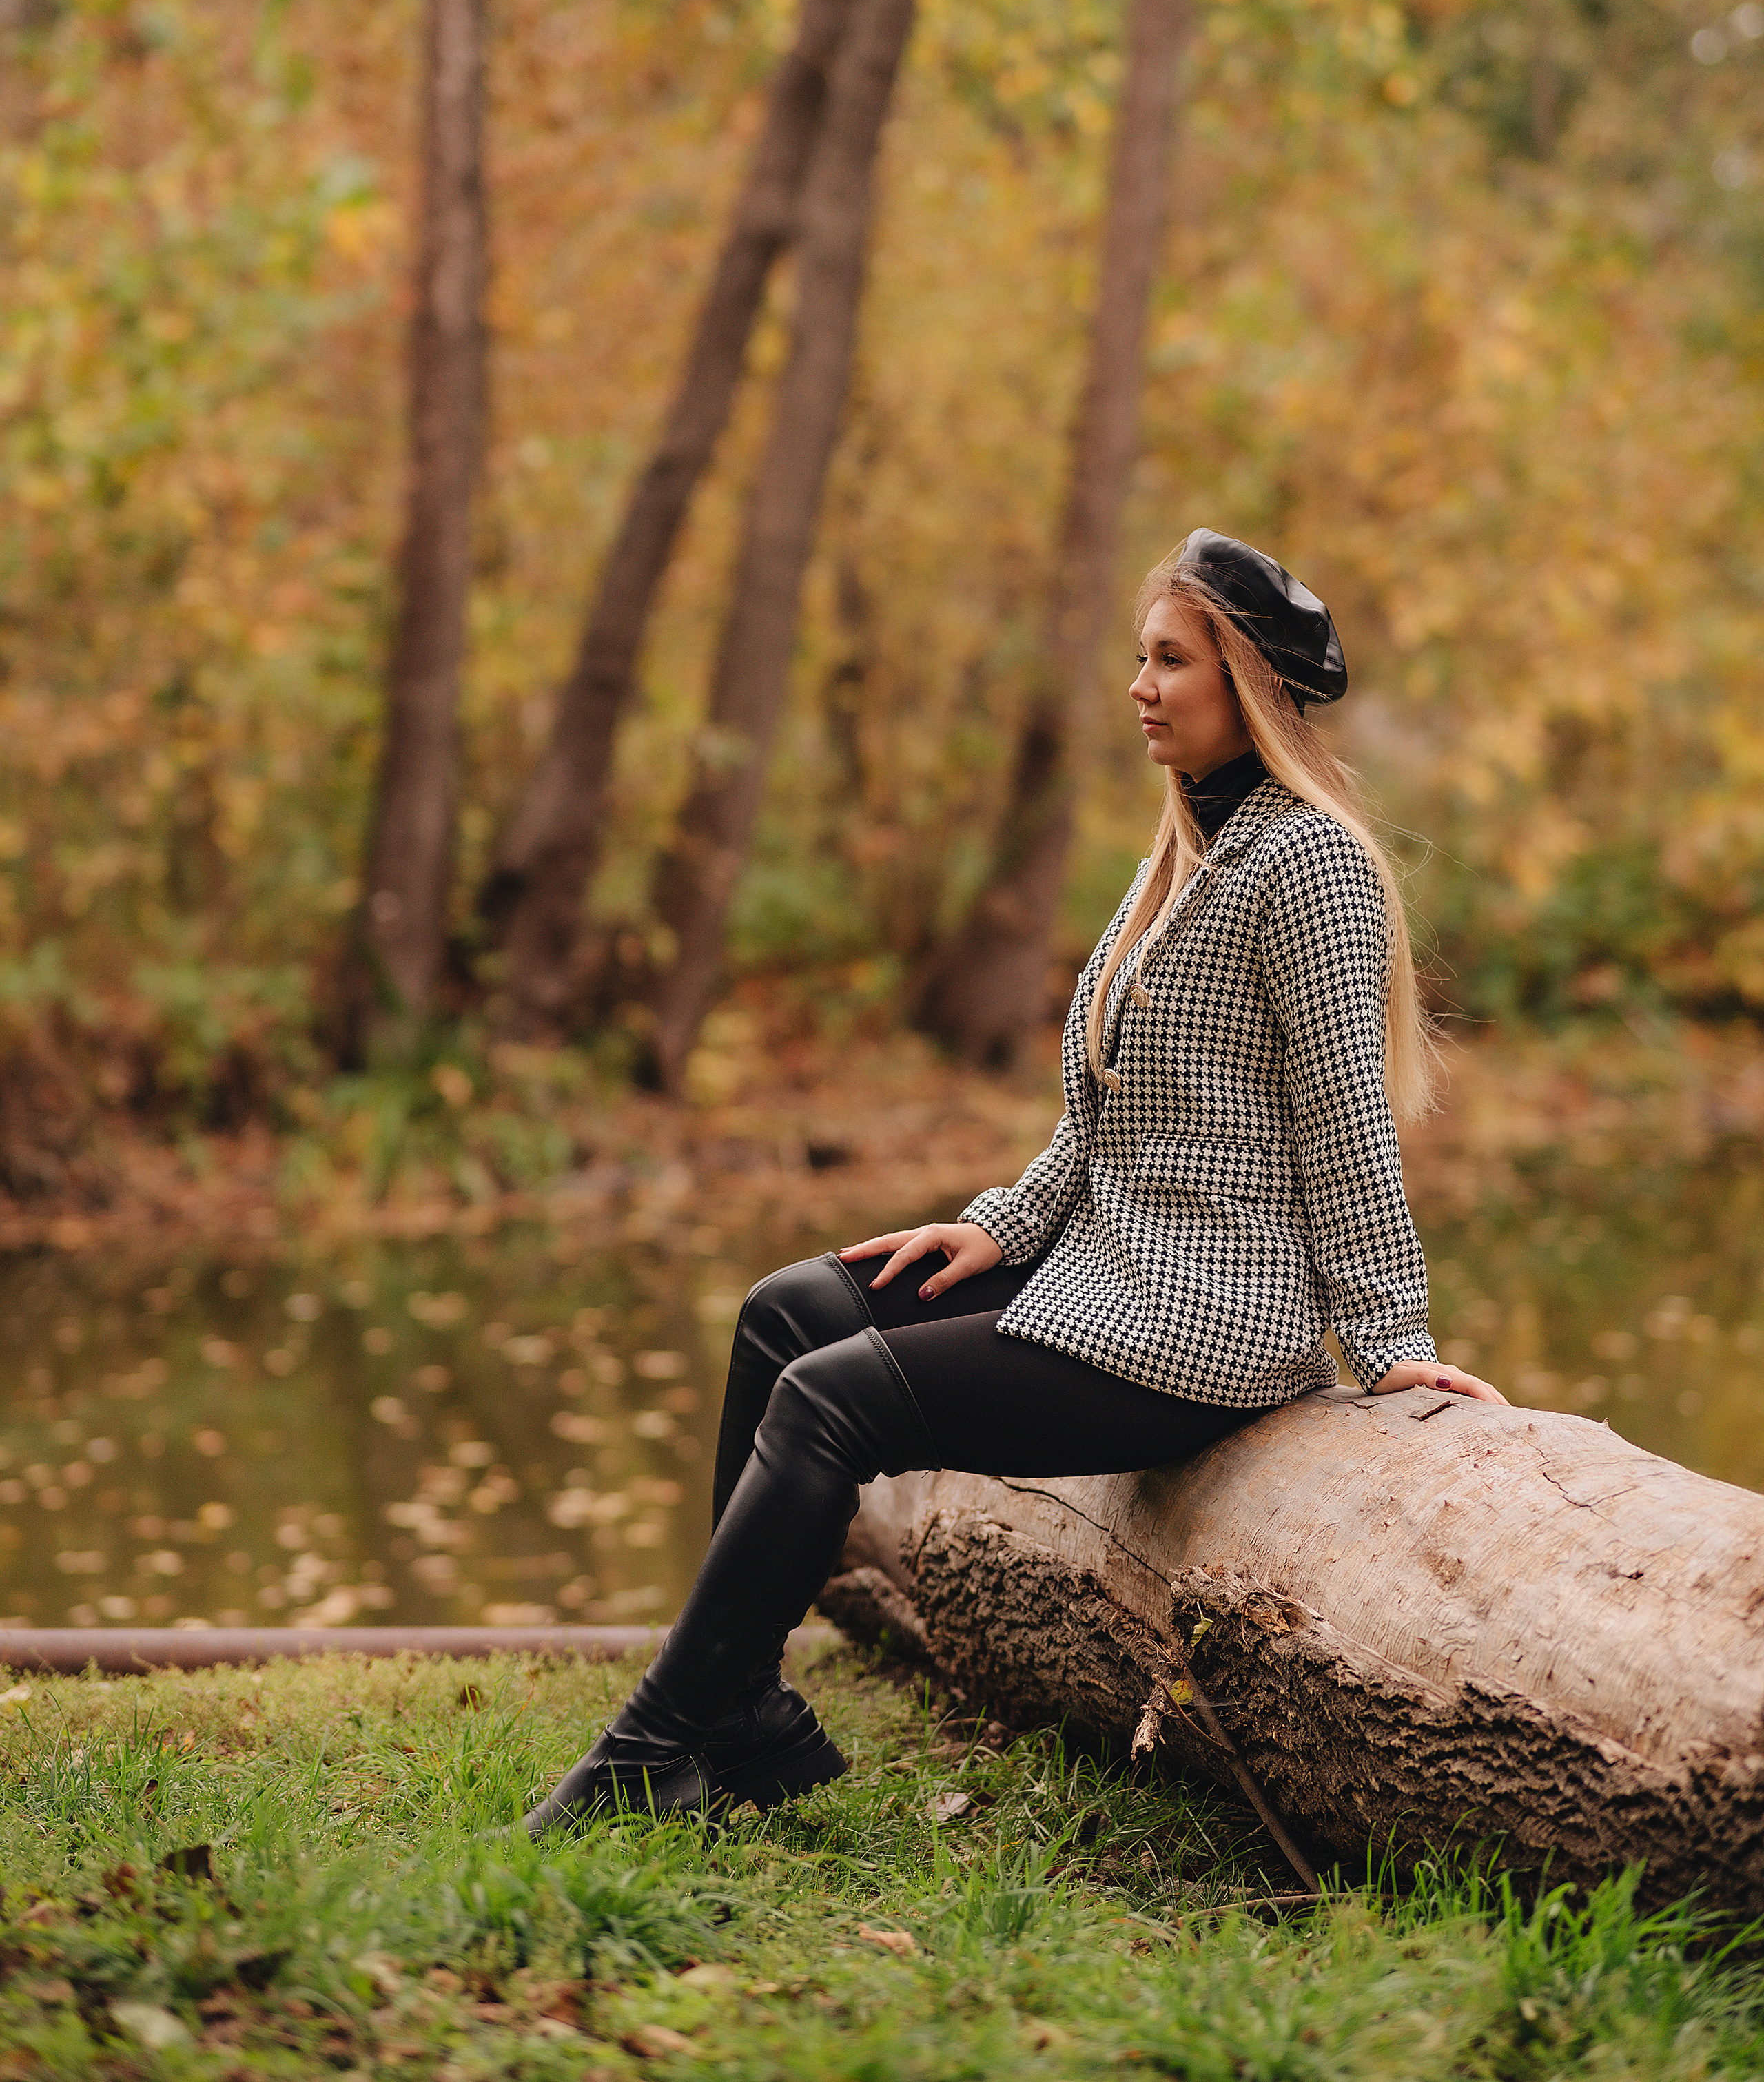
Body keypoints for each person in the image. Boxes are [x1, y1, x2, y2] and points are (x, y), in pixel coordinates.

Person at [524, 528, 1506, 1833]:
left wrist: (1390, 1339)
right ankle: (744, 1704)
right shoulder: (1183, 855)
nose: (1142, 686)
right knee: (789, 1313)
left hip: (1206, 1324)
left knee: (831, 1402)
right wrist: (998, 1225)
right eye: (1139, 658)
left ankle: (652, 1752)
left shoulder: (1307, 863)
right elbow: (1103, 1116)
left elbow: (1345, 1122)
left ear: (1251, 684)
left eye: (1172, 661)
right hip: (1109, 1268)